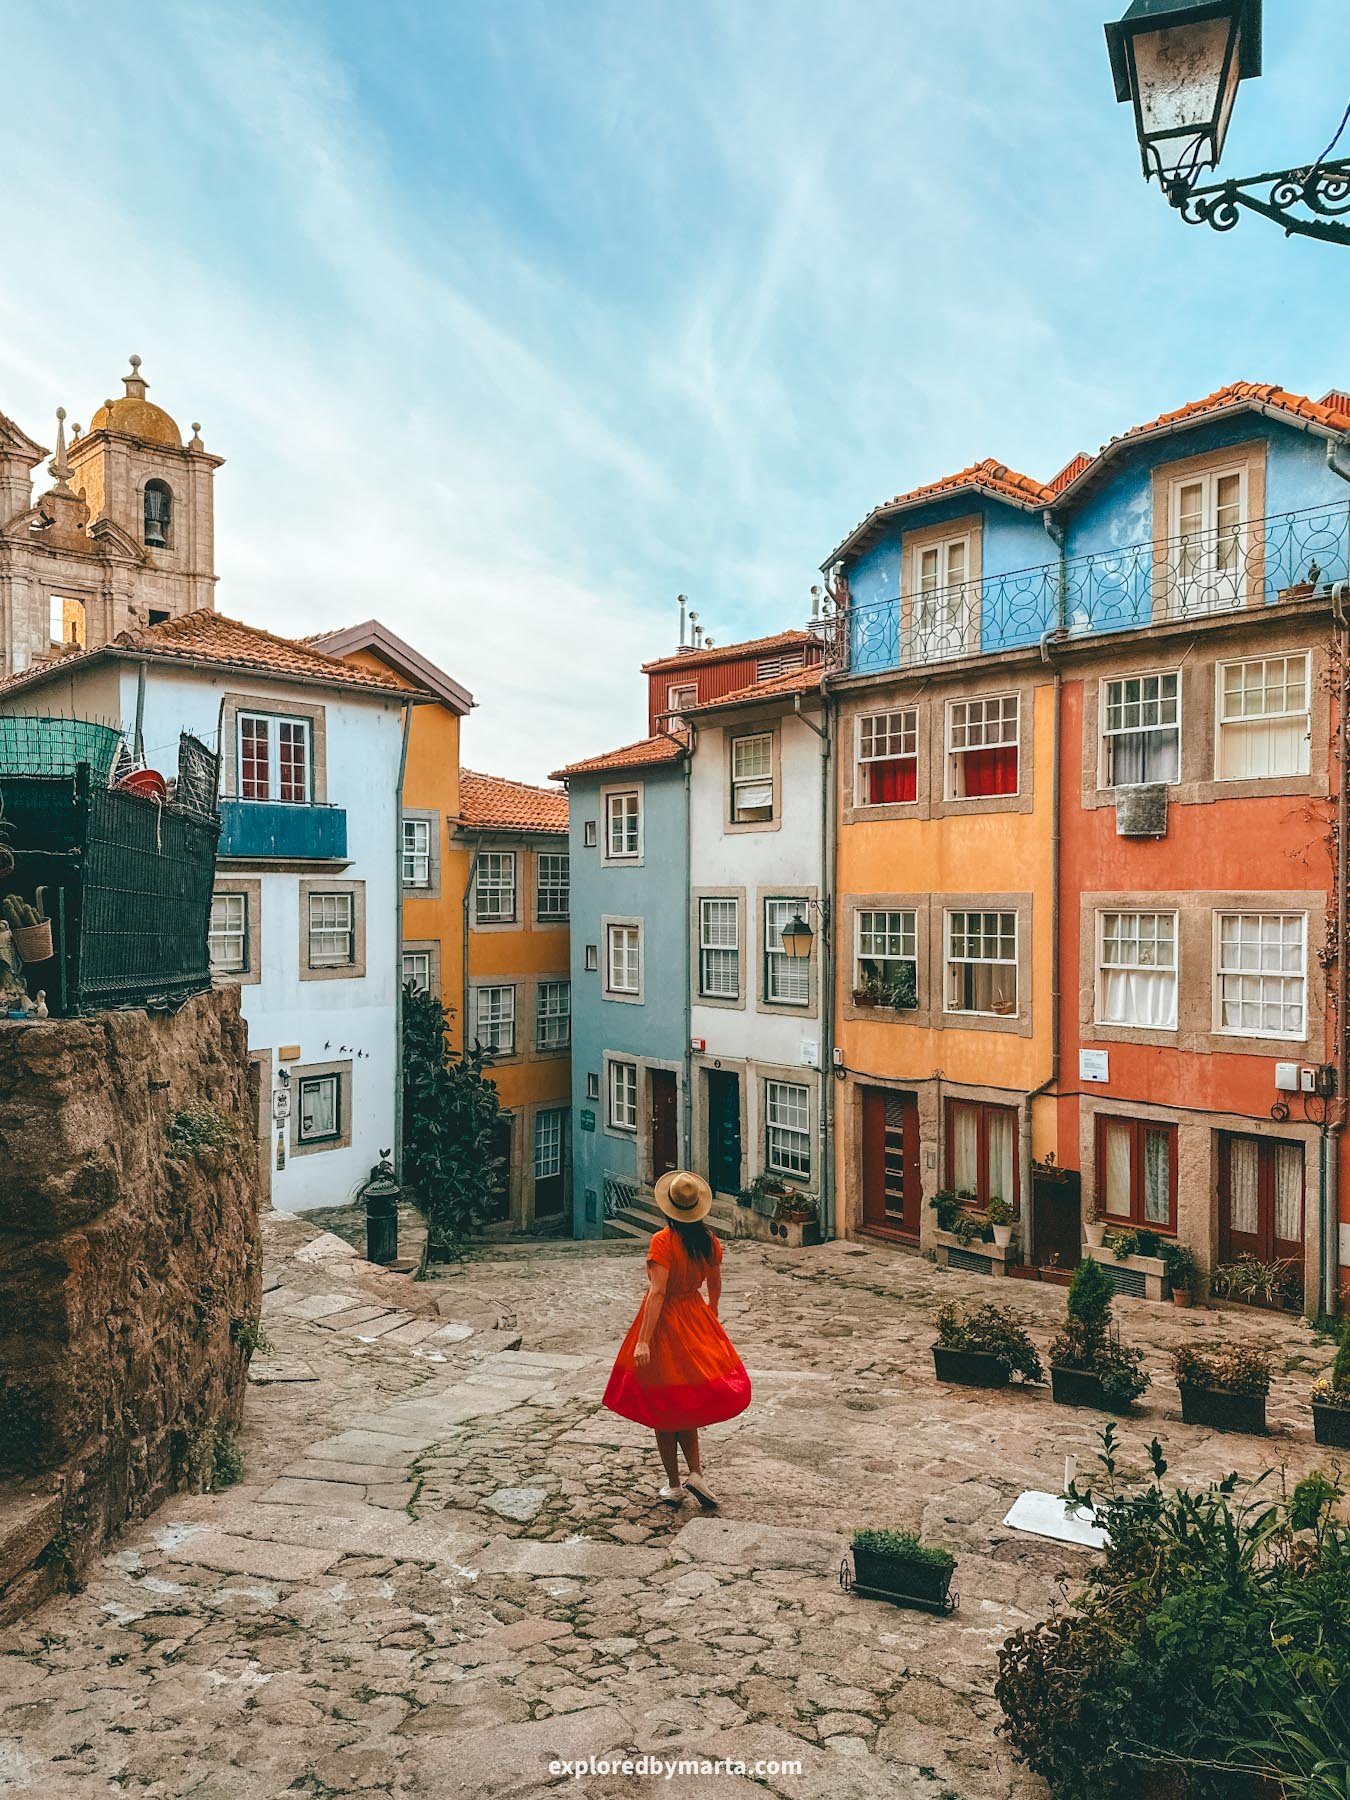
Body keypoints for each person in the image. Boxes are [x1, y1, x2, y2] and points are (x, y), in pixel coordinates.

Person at [602, 1169, 751, 1508]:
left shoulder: (663, 1242)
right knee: (686, 1403)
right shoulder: (708, 1240)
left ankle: (674, 1485)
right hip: (694, 1316)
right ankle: (696, 1472)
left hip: (666, 1323)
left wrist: (643, 1341)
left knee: (662, 1406)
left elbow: (657, 1294)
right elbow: (714, 1282)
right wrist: (711, 1310)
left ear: (667, 1209)